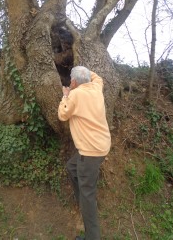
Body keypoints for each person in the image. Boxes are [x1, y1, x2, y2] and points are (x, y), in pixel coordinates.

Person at [58, 66, 111, 240]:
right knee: (71, 167)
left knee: (88, 197)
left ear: (73, 82)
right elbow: (97, 77)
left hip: (90, 152)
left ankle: (92, 237)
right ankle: (83, 197)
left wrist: (65, 94)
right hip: (102, 146)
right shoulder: (96, 86)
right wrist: (84, 72)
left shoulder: (75, 95)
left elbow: (63, 114)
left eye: (71, 81)